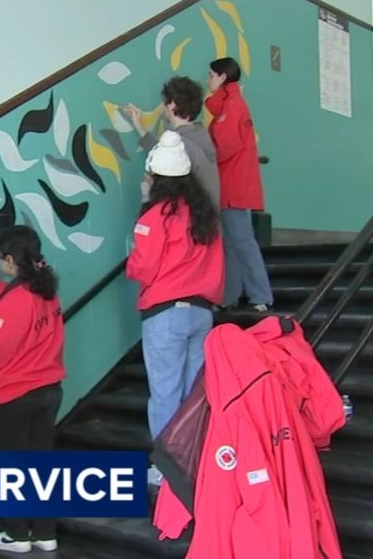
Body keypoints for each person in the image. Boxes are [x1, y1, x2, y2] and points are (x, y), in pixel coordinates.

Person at [0, 225, 66, 554]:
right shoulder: (46, 291)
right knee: (40, 464)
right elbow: (18, 311)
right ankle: (45, 533)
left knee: (12, 468)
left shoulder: (18, 301)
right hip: (48, 391)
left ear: (8, 260)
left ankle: (18, 535)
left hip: (13, 396)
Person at [126, 130, 224, 485]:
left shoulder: (156, 215)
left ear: (157, 178)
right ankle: (195, 462)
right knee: (192, 395)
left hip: (165, 314)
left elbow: (142, 266)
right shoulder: (204, 215)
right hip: (201, 312)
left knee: (165, 393)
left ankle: (168, 471)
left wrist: (144, 207)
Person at [206, 56, 274, 312]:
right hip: (228, 186)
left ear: (223, 77)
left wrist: (204, 156)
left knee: (242, 241)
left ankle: (261, 295)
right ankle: (230, 296)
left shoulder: (232, 105)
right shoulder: (227, 105)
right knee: (231, 244)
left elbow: (226, 146)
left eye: (211, 75)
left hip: (232, 186)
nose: (208, 80)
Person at [123, 75, 220, 207]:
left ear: (172, 105)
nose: (162, 107)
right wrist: (139, 125)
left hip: (188, 222)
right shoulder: (199, 135)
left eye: (164, 102)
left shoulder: (180, 144)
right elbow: (159, 150)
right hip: (206, 220)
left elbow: (163, 156)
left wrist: (146, 193)